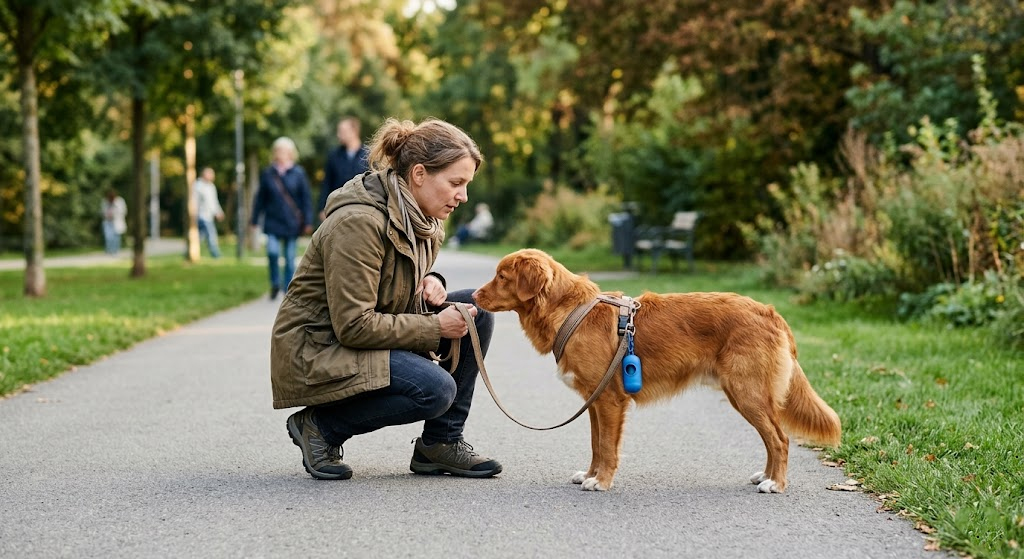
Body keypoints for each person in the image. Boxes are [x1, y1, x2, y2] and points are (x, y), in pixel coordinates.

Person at [272, 117, 502, 481]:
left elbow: (393, 277)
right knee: (435, 389)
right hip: (321, 347)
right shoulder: (359, 223)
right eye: (456, 183)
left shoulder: (424, 219)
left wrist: (431, 282)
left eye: (466, 184)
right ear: (420, 174)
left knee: (477, 312)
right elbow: (354, 325)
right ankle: (320, 426)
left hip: (366, 333)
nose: (464, 196)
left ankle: (439, 443)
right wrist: (434, 325)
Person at [251, 137, 314, 300]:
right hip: (272, 221)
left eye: (285, 151)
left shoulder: (298, 173)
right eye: (278, 150)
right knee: (272, 252)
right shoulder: (268, 173)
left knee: (289, 257)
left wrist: (308, 220)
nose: (281, 154)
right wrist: (254, 219)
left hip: (291, 222)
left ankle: (288, 288)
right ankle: (274, 283)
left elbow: (306, 199)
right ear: (274, 153)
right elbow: (260, 199)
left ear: (291, 153)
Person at [318, 117, 370, 222]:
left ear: (354, 131)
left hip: (362, 210)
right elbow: (327, 183)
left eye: (342, 131)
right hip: (337, 209)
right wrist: (322, 208)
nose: (338, 135)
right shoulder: (333, 156)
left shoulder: (368, 155)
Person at [194, 167, 225, 258]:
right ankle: (215, 254)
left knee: (200, 236)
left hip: (208, 215)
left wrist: (219, 212)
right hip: (202, 215)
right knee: (211, 234)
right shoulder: (198, 186)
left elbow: (214, 201)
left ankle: (191, 252)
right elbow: (197, 201)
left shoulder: (211, 186)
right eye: (210, 174)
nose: (212, 176)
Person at [101, 189, 127, 254]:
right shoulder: (105, 202)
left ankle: (115, 251)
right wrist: (106, 215)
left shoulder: (119, 201)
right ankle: (109, 250)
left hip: (116, 222)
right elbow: (102, 211)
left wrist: (114, 214)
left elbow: (123, 211)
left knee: (116, 237)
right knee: (108, 237)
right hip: (108, 222)